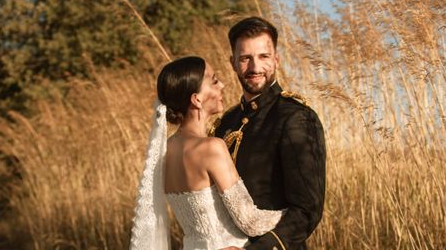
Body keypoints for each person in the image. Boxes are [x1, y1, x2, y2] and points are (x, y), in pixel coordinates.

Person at [129, 56, 285, 250]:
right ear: (196, 99)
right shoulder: (211, 148)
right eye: (214, 80)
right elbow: (250, 221)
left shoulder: (163, 152)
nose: (223, 85)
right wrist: (295, 215)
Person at [212, 16, 326, 250]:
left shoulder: (295, 117)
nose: (255, 67)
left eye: (263, 57)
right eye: (245, 58)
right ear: (233, 62)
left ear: (276, 60)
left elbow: (307, 211)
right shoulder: (225, 123)